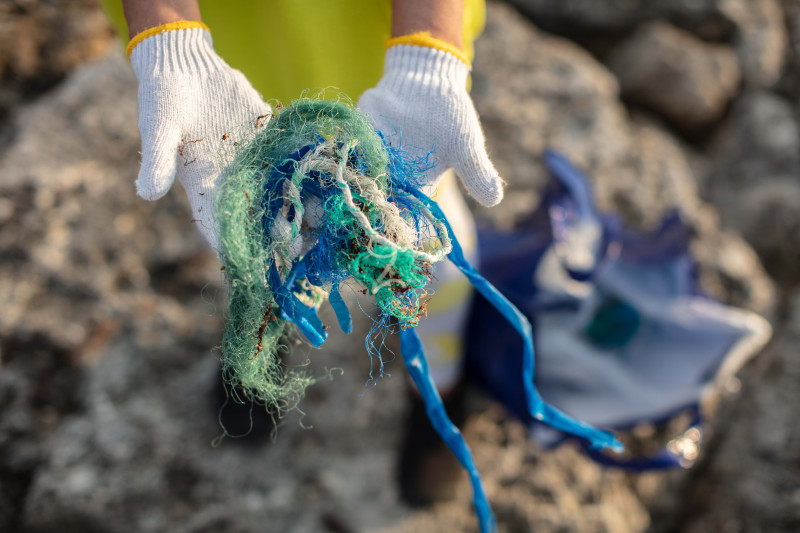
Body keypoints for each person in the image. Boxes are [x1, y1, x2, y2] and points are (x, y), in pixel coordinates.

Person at [100, 0, 503, 506]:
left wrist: (429, 55)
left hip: (383, 49)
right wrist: (168, 38)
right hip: (225, 50)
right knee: (250, 233)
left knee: (425, 255)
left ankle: (439, 395)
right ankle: (262, 333)